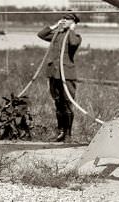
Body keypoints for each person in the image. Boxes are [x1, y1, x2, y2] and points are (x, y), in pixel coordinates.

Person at [37, 12, 82, 142]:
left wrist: (71, 29)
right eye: (63, 18)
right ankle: (60, 132)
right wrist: (55, 26)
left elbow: (73, 43)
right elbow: (41, 35)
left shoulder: (76, 36)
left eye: (67, 19)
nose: (64, 20)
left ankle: (68, 135)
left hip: (67, 75)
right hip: (54, 74)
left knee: (67, 103)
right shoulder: (57, 35)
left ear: (73, 22)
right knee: (58, 103)